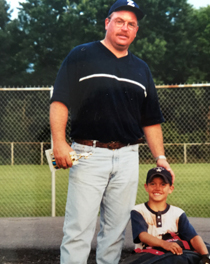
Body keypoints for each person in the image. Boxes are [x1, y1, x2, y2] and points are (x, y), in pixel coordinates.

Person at [50, 0, 175, 263]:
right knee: (78, 231)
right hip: (88, 154)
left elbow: (150, 120)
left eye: (131, 24)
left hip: (128, 157)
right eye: (119, 21)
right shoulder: (81, 54)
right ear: (107, 23)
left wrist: (161, 157)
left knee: (115, 233)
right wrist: (59, 142)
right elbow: (59, 100)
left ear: (136, 31)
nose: (125, 28)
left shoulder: (141, 68)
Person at [130, 167, 210, 264]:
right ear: (146, 187)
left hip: (172, 257)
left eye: (163, 184)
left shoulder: (177, 213)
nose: (157, 188)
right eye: (153, 184)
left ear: (170, 189)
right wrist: (165, 244)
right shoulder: (138, 210)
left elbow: (193, 237)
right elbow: (142, 235)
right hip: (147, 257)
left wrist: (205, 256)